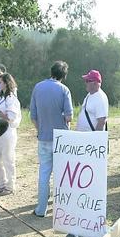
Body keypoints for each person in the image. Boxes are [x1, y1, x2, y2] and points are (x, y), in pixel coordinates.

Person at [30, 61, 73, 217]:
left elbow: (33, 116)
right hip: (61, 138)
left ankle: (41, 209)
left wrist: (40, 129)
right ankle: (62, 209)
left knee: (44, 174)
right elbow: (68, 117)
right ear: (64, 75)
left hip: (43, 137)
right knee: (62, 175)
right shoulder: (64, 90)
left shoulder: (37, 87)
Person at [0, 73, 22, 196]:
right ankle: (1, 183)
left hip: (7, 131)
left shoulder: (11, 98)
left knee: (8, 159)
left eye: (0, 82)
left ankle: (10, 185)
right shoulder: (1, 97)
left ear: (6, 83)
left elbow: (11, 117)